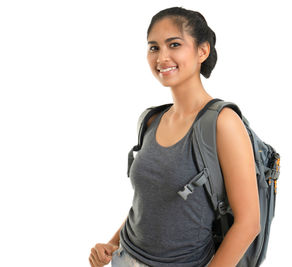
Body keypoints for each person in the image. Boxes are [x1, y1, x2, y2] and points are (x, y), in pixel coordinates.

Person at [89, 6, 260, 267]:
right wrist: (113, 244)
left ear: (202, 51)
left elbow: (249, 223)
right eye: (154, 47)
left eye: (174, 44)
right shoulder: (152, 120)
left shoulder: (222, 122)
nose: (161, 57)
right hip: (124, 259)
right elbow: (148, 202)